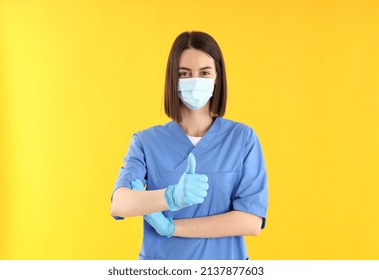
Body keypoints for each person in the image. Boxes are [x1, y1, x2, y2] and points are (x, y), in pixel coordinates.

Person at [110, 31, 268, 260]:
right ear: (172, 80)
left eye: (204, 73)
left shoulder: (242, 139)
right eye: (184, 74)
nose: (195, 81)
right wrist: (171, 196)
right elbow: (120, 204)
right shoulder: (146, 142)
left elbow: (250, 221)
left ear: (218, 77)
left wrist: (172, 228)